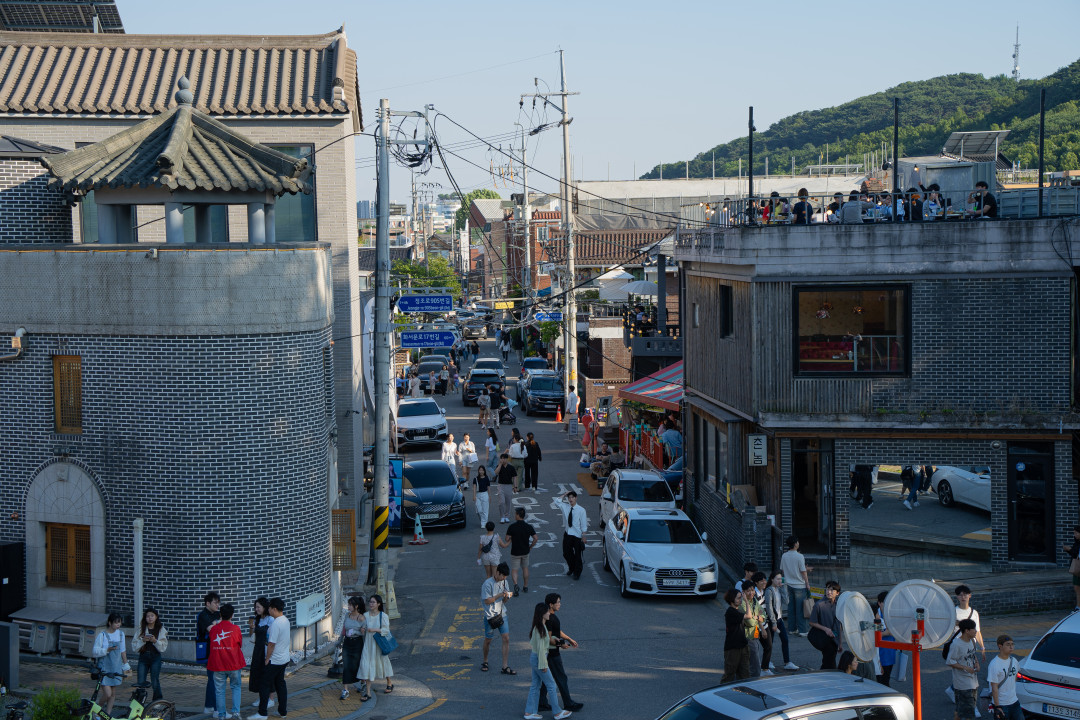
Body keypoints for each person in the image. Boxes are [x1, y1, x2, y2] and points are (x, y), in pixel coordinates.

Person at [524, 602, 571, 720]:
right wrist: (544, 664)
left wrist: (559, 643)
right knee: (551, 684)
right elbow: (541, 649)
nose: (549, 613)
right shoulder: (541, 629)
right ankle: (557, 712)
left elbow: (543, 645)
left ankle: (529, 712)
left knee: (535, 685)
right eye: (547, 611)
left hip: (535, 658)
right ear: (542, 614)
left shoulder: (539, 627)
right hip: (540, 659)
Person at [538, 593, 583, 713]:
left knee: (546, 679)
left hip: (550, 654)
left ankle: (541, 702)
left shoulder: (551, 616)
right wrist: (561, 645)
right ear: (550, 604)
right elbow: (548, 639)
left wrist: (568, 639)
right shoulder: (549, 618)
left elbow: (557, 631)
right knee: (561, 678)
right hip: (552, 654)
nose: (560, 604)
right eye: (557, 602)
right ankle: (568, 703)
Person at [251, 598, 289, 720]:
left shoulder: (275, 623)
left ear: (274, 609)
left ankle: (262, 713)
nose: (268, 610)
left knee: (264, 684)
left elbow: (271, 644)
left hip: (274, 660)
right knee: (280, 684)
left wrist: (267, 659)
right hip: (284, 658)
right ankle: (283, 712)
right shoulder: (285, 620)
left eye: (270, 608)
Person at [209, 604, 245, 720]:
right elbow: (239, 644)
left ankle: (221, 715)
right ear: (232, 615)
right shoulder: (236, 629)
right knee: (236, 687)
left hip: (218, 664)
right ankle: (236, 713)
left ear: (220, 615)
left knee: (219, 690)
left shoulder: (214, 629)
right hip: (234, 663)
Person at [481, 562, 514, 675]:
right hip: (490, 616)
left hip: (501, 614)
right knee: (488, 640)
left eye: (505, 577)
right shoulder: (487, 584)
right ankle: (485, 661)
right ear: (497, 573)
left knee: (506, 638)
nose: (504, 578)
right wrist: (500, 595)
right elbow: (487, 600)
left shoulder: (505, 582)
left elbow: (504, 602)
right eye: (502, 576)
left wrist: (507, 597)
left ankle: (505, 666)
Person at [359, 595, 394, 698]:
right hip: (368, 644)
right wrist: (363, 630)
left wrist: (373, 629)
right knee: (367, 665)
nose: (371, 604)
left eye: (373, 602)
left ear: (378, 604)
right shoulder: (365, 615)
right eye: (370, 602)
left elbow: (386, 631)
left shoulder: (383, 616)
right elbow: (363, 627)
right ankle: (368, 692)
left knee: (383, 663)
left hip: (379, 644)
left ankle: (389, 682)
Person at [92, 613, 127, 715]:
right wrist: (106, 650)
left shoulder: (121, 634)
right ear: (109, 623)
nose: (118, 625)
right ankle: (96, 711)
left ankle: (107, 715)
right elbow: (95, 652)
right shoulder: (102, 635)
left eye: (119, 622)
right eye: (116, 622)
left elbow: (123, 651)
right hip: (104, 668)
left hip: (116, 667)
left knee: (113, 694)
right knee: (108, 694)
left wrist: (126, 665)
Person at [947, 618, 981, 720]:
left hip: (973, 681)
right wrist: (964, 667)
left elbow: (972, 654)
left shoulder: (972, 641)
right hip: (962, 684)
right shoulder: (956, 644)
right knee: (969, 713)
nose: (976, 631)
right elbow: (950, 661)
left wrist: (977, 663)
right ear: (967, 631)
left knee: (960, 711)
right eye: (974, 629)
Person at [765, 572, 798, 671]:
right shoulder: (769, 591)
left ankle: (787, 662)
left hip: (779, 620)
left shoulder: (778, 590)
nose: (779, 581)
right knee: (769, 643)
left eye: (781, 579)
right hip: (772, 621)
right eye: (777, 579)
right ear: (772, 579)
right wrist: (773, 623)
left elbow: (787, 602)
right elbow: (769, 608)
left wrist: (783, 588)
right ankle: (767, 661)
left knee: (785, 640)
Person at [134, 607, 168, 702]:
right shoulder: (141, 629)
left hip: (155, 657)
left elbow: (163, 647)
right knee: (140, 681)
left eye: (152, 616)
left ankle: (157, 701)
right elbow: (134, 647)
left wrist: (155, 641)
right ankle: (139, 702)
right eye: (148, 616)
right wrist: (142, 641)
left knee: (155, 680)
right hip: (143, 656)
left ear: (156, 617)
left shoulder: (161, 629)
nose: (150, 618)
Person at [248, 597, 276, 710]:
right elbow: (252, 636)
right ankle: (262, 697)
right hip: (257, 649)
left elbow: (271, 636)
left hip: (266, 649)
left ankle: (271, 699)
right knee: (258, 672)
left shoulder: (270, 620)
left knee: (267, 674)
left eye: (258, 607)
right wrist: (251, 628)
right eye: (256, 607)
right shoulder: (257, 619)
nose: (257, 609)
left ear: (265, 607)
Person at [336, 596, 366, 700]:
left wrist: (358, 632)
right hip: (347, 643)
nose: (348, 606)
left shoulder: (362, 618)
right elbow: (343, 629)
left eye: (350, 605)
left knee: (357, 665)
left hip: (357, 643)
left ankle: (362, 683)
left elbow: (364, 634)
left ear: (356, 606)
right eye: (348, 604)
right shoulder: (347, 615)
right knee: (346, 665)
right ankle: (345, 689)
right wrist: (339, 641)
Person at [197, 591, 222, 715]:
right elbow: (210, 630)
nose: (218, 605)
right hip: (208, 652)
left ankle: (209, 706)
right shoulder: (203, 615)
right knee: (215, 679)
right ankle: (217, 710)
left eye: (218, 603)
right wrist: (218, 624)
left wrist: (216, 623)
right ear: (207, 603)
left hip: (218, 651)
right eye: (215, 603)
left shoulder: (218, 614)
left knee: (212, 679)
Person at [808, 581, 842, 669]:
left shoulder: (839, 605)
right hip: (824, 638)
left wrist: (840, 643)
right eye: (827, 589)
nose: (829, 592)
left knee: (828, 662)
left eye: (832, 590)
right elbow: (812, 622)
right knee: (830, 661)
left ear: (837, 593)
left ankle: (823, 676)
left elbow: (839, 625)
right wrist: (826, 629)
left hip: (835, 639)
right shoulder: (819, 605)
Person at [780, 536, 811, 636]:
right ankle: (803, 630)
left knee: (791, 608)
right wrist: (807, 583)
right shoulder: (799, 556)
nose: (798, 543)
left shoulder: (784, 555)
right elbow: (803, 572)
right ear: (795, 544)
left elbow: (783, 570)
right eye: (797, 542)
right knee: (801, 609)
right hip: (799, 585)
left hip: (789, 584)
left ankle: (792, 629)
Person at [987, 635, 1022, 720]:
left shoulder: (1014, 660)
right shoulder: (994, 664)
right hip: (1002, 704)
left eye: (1012, 644)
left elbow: (1016, 676)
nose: (1011, 647)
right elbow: (994, 687)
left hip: (1014, 702)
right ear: (1000, 646)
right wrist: (997, 706)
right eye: (1008, 644)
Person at [505, 507, 538, 593]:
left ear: (518, 515)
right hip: (525, 551)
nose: (514, 515)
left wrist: (512, 537)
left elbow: (507, 539)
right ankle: (525, 586)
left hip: (515, 552)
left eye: (515, 514)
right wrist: (530, 547)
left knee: (515, 570)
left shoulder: (512, 527)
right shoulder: (528, 526)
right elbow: (535, 538)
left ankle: (516, 584)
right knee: (525, 568)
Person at [557, 490, 588, 580]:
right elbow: (557, 501)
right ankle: (572, 567)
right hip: (567, 533)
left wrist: (584, 536)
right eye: (569, 497)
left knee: (578, 555)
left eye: (572, 497)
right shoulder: (565, 507)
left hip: (577, 535)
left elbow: (583, 524)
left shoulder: (581, 510)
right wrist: (565, 494)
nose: (570, 499)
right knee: (566, 553)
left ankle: (577, 572)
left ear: (576, 498)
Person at [738, 582, 766, 677]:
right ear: (743, 592)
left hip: (755, 635)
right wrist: (758, 617)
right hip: (747, 637)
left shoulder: (754, 600)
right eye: (748, 591)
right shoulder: (742, 604)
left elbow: (764, 615)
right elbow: (749, 623)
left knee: (752, 663)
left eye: (752, 590)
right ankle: (753, 683)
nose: (751, 593)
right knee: (754, 665)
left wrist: (756, 617)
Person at [723, 588, 751, 682]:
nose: (741, 600)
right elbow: (749, 616)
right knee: (729, 674)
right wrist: (747, 601)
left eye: (741, 598)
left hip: (742, 645)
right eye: (738, 598)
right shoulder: (731, 612)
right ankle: (723, 693)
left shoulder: (737, 611)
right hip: (733, 648)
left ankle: (743, 693)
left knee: (744, 673)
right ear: (732, 599)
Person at [955, 585, 986, 659]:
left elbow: (977, 632)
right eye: (960, 595)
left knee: (971, 667)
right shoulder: (953, 612)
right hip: (958, 645)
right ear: (957, 597)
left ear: (969, 596)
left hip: (971, 645)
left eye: (965, 594)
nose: (963, 597)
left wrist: (982, 648)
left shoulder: (974, 613)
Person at [750, 572, 772, 676]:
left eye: (765, 579)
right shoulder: (755, 596)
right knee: (756, 649)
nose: (764, 582)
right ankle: (760, 669)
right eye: (762, 580)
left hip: (764, 624)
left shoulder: (763, 591)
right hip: (757, 627)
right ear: (756, 583)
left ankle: (764, 668)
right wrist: (762, 629)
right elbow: (756, 614)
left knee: (768, 646)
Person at [874, 591, 896, 686]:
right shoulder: (875, 614)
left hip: (890, 653)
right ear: (879, 603)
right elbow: (874, 634)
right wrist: (887, 632)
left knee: (886, 678)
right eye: (885, 602)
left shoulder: (891, 614)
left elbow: (893, 631)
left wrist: (883, 633)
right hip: (879, 653)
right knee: (881, 681)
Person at [494, 453, 517, 524]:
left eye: (504, 458)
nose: (503, 460)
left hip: (509, 486)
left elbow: (515, 477)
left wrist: (515, 486)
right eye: (501, 458)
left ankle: (507, 516)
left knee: (508, 502)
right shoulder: (499, 466)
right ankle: (502, 517)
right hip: (500, 486)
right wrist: (500, 465)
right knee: (501, 502)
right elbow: (496, 473)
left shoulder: (511, 467)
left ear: (507, 459)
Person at [1064, 525, 1080, 610]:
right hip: (1077, 569)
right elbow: (1075, 554)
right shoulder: (1076, 542)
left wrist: (1070, 550)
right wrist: (1069, 550)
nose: (1075, 535)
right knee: (1077, 587)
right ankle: (1078, 606)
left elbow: (1077, 554)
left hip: (1078, 568)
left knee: (1077, 587)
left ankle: (1078, 607)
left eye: (1076, 533)